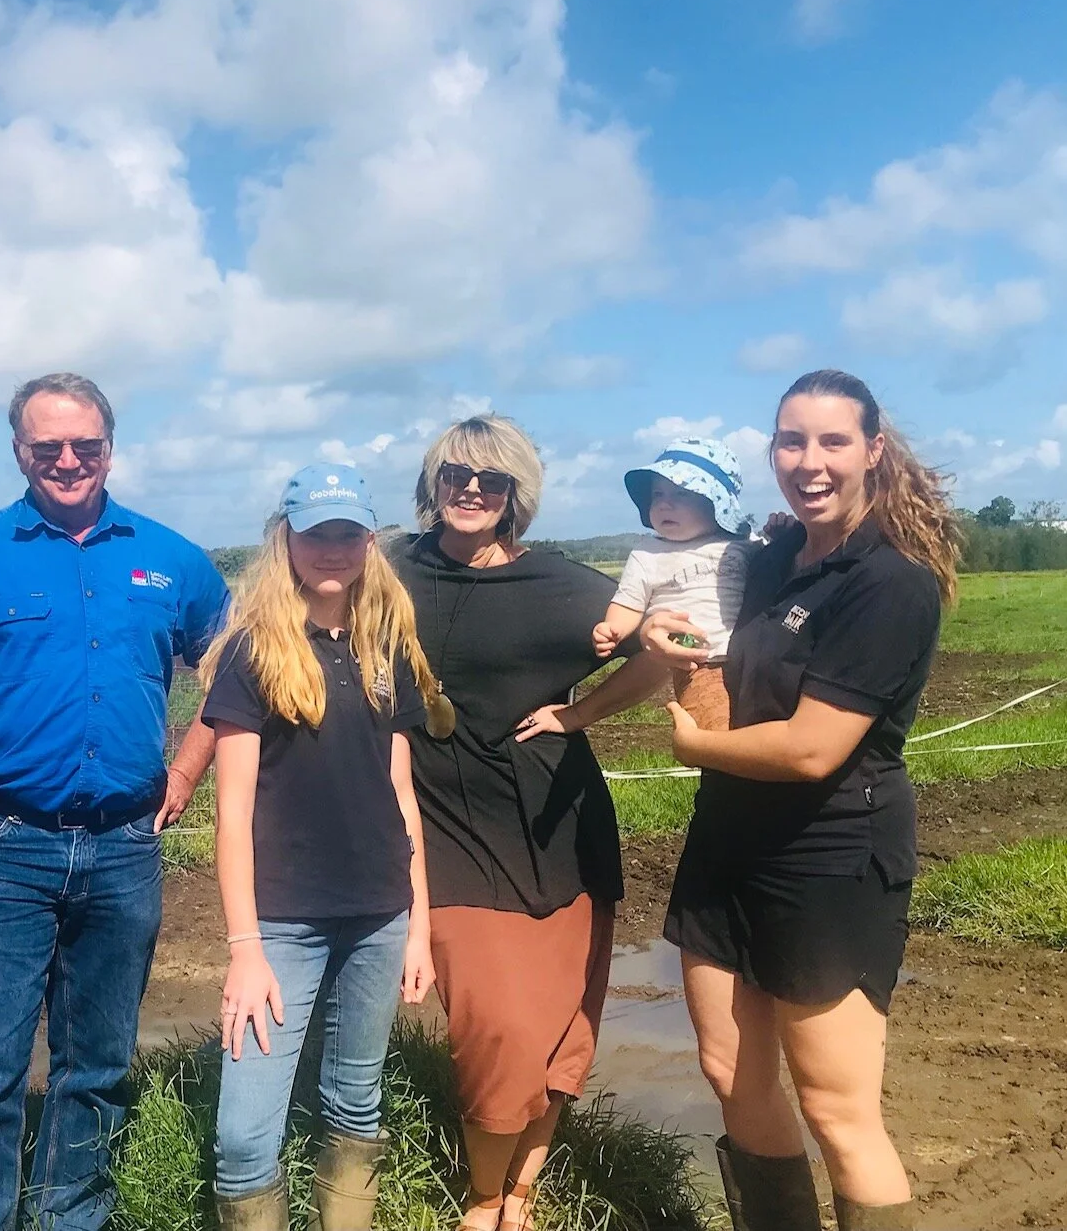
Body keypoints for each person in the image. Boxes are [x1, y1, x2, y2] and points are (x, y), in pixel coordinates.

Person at [0, 371, 229, 1231]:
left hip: (123, 849)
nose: (68, 460)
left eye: (86, 445)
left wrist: (186, 773)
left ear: (110, 448)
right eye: (48, 446)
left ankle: (74, 1217)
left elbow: (235, 673)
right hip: (0, 847)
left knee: (97, 1065)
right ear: (19, 451)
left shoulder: (170, 559)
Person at [645, 370, 958, 1231]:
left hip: (829, 859)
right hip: (727, 844)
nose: (809, 461)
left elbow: (814, 748)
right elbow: (709, 641)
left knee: (837, 1110)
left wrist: (695, 748)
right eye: (792, 441)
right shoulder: (771, 560)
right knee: (729, 1073)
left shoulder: (890, 582)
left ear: (873, 450)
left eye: (832, 441)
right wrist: (661, 635)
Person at [392, 414, 671, 1231]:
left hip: (558, 826)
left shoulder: (563, 588)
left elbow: (663, 650)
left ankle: (524, 1188)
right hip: (442, 828)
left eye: (493, 479)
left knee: (561, 1025)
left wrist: (581, 713)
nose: (472, 490)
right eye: (456, 475)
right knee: (500, 1028)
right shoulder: (390, 569)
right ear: (434, 483)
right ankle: (483, 1200)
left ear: (517, 493)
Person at [199, 465, 436, 1231]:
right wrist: (245, 948)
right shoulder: (253, 652)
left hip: (380, 915)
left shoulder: (385, 649)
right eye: (316, 533)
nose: (332, 548)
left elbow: (402, 796)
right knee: (244, 1139)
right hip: (282, 925)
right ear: (286, 539)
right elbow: (232, 812)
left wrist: (419, 925)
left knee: (356, 1106)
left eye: (347, 533)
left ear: (369, 541)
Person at [593, 437, 753, 730]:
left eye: (681, 493)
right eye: (657, 494)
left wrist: (782, 533)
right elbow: (629, 601)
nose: (664, 504)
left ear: (716, 504)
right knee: (716, 732)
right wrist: (612, 628)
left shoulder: (743, 544)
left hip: (754, 657)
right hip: (697, 662)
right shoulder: (648, 554)